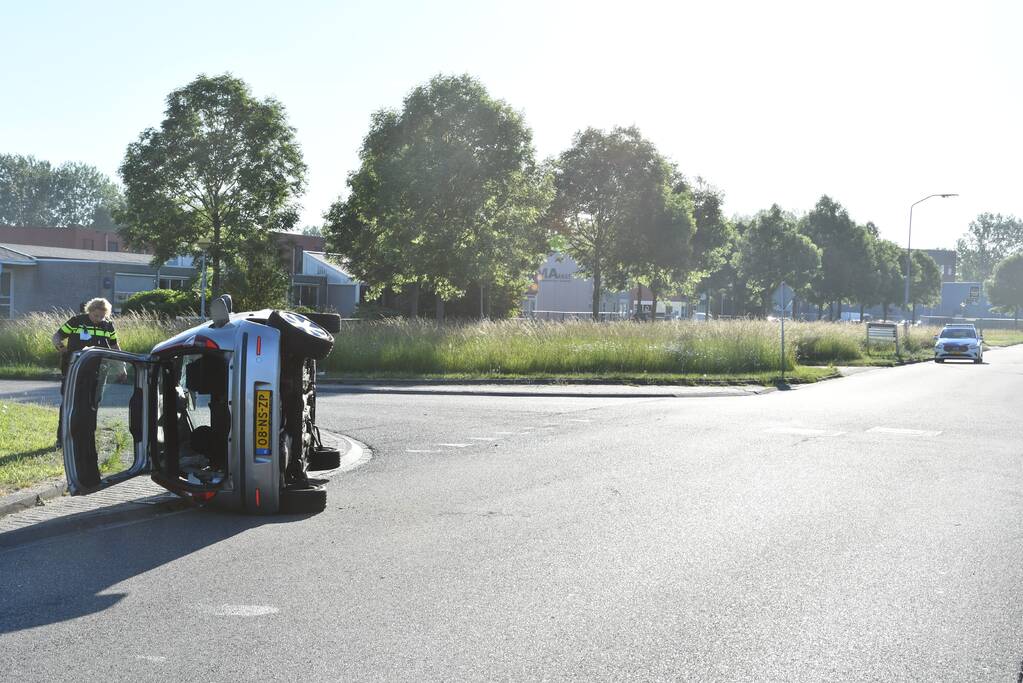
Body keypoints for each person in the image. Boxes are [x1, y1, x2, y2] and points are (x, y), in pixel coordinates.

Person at [52, 298, 125, 443]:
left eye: (102, 316)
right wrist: (61, 348)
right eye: (95, 316)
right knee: (70, 402)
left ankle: (87, 437)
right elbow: (56, 336)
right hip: (74, 369)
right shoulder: (76, 321)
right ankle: (63, 438)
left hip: (99, 370)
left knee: (93, 403)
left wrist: (121, 366)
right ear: (89, 311)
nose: (98, 319)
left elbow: (115, 346)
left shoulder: (108, 326)